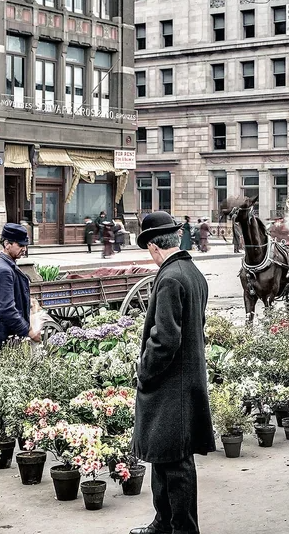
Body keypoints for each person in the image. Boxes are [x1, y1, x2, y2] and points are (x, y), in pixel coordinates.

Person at [130, 211, 216, 534]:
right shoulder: (192, 272)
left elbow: (165, 340)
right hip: (187, 381)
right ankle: (163, 522)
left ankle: (182, 528)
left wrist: (144, 371)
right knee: (164, 457)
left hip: (171, 387)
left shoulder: (169, 279)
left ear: (153, 247)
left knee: (176, 464)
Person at [0, 223, 40, 346]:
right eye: (20, 245)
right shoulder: (3, 270)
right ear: (7, 244)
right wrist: (28, 331)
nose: (24, 249)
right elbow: (7, 309)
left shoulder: (6, 264)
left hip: (9, 336)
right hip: (6, 339)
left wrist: (28, 301)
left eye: (25, 245)